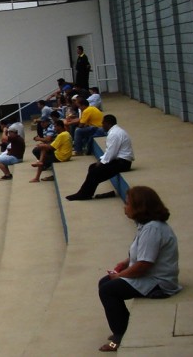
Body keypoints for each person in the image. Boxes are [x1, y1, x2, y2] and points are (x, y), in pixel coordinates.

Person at [96, 186, 180, 352]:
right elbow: (142, 254)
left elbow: (144, 265)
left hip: (158, 282)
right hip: (149, 276)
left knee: (108, 290)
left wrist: (120, 275)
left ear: (140, 207)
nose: (124, 207)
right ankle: (122, 327)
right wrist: (126, 262)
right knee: (104, 284)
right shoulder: (147, 226)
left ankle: (119, 336)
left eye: (128, 204)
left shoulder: (152, 229)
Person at [67, 115, 134, 201]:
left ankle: (84, 194)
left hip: (123, 163)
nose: (102, 125)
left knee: (95, 171)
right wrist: (101, 160)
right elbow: (110, 152)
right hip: (119, 160)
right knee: (93, 167)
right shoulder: (115, 131)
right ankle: (85, 193)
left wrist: (102, 162)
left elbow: (111, 153)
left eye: (103, 123)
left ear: (108, 123)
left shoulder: (114, 134)